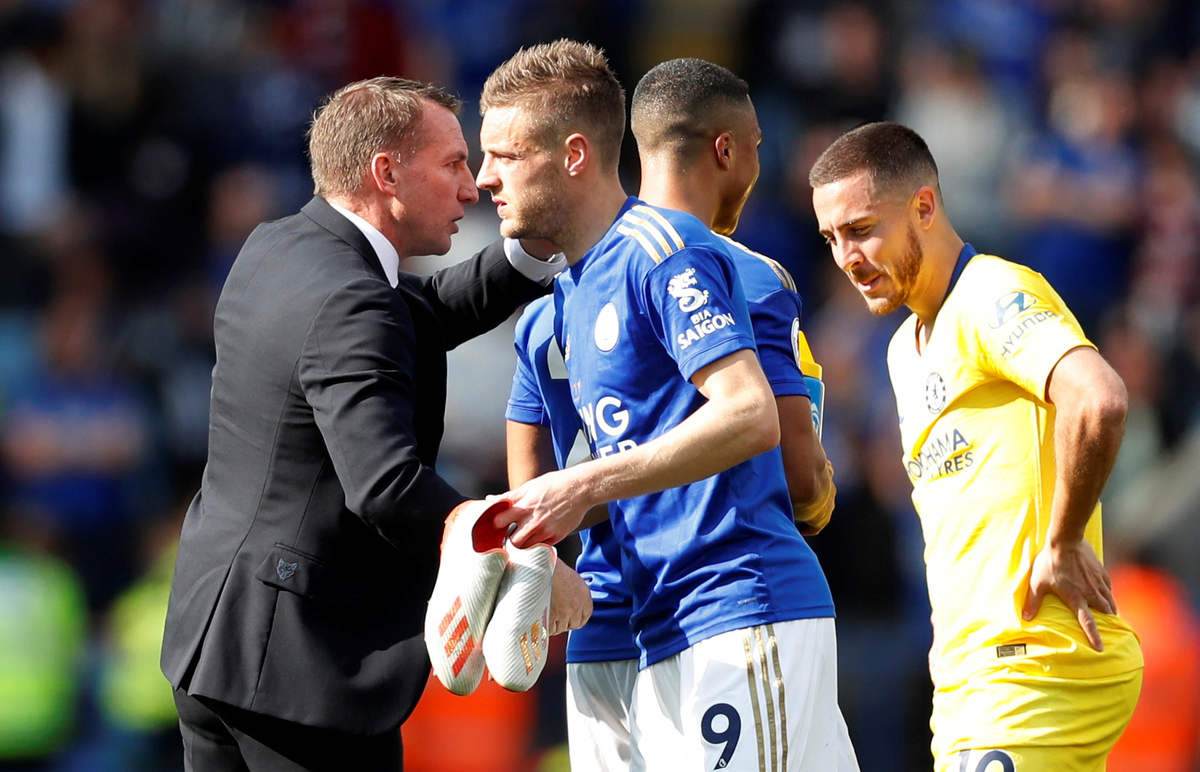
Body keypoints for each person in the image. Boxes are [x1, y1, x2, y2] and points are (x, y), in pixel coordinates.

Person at [160, 76, 574, 771]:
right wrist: (520, 553)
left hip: (218, 641)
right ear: (386, 174)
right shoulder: (354, 298)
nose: (472, 187)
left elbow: (418, 312)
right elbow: (385, 484)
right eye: (452, 163)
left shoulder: (279, 246)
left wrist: (534, 247)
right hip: (298, 674)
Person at [478, 40, 846, 772]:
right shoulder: (561, 301)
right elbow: (553, 483)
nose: (486, 176)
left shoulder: (665, 249)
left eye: (505, 155)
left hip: (736, 604)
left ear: (574, 154)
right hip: (655, 623)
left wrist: (577, 488)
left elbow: (750, 415)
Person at [808, 121, 1144, 772]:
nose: (846, 256)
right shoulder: (903, 350)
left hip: (1030, 670)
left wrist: (1064, 539)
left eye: (861, 229)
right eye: (831, 238)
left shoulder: (991, 293)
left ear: (924, 207)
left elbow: (1098, 398)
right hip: (967, 688)